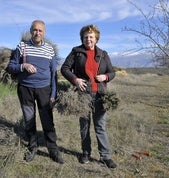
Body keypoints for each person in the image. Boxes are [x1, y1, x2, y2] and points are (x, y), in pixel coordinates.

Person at [7, 20, 64, 164]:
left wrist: (53, 93)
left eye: (40, 30)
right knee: (29, 120)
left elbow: (53, 74)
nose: (37, 33)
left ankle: (53, 150)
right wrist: (23, 65)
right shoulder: (22, 46)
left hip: (44, 89)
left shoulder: (49, 49)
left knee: (48, 121)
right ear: (31, 31)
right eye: (34, 30)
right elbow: (11, 66)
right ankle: (32, 147)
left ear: (44, 33)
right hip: (25, 88)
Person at [60, 24, 116, 168]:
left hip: (100, 95)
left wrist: (106, 77)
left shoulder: (103, 54)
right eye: (85, 37)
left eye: (91, 37)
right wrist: (75, 80)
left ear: (96, 38)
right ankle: (86, 153)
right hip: (83, 95)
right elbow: (65, 68)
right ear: (82, 38)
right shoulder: (76, 52)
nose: (88, 39)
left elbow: (112, 72)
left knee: (100, 126)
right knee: (84, 125)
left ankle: (105, 156)